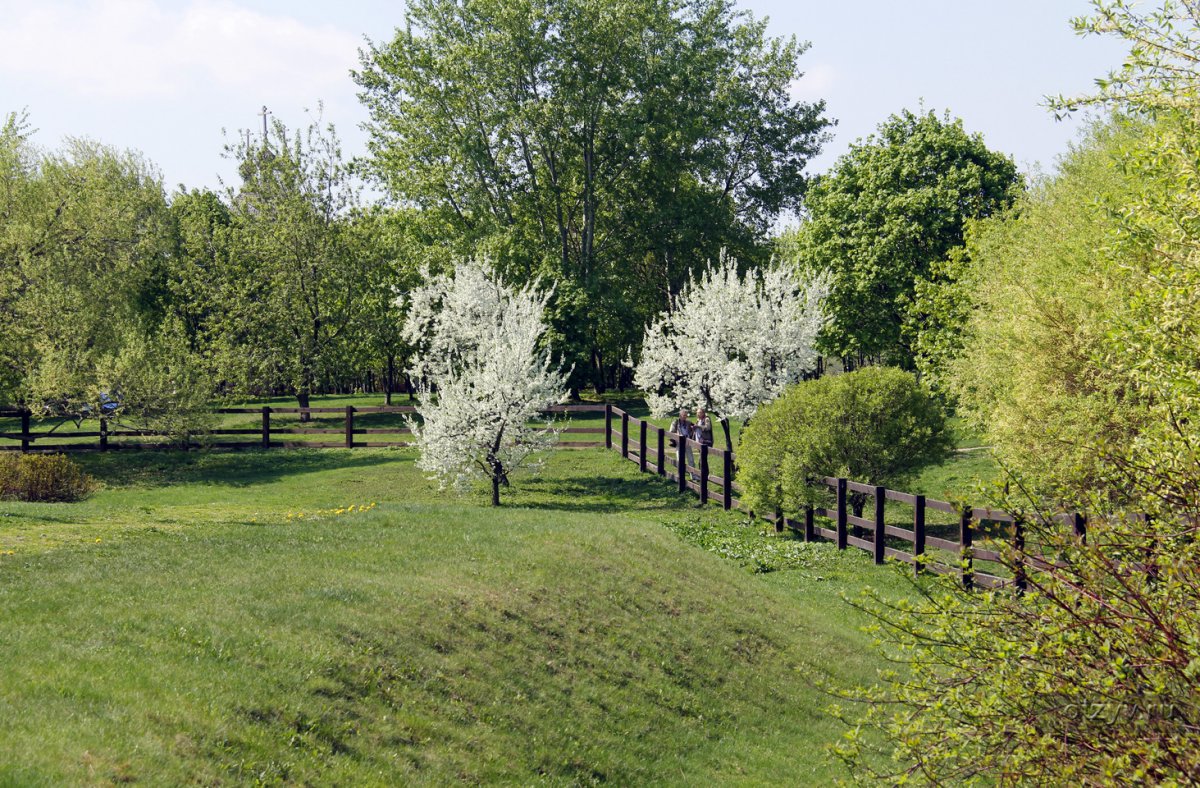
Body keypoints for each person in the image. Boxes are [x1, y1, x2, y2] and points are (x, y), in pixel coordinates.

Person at [668, 408, 697, 481]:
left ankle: (693, 475)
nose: (685, 417)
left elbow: (694, 430)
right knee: (680, 459)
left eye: (686, 415)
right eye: (684, 415)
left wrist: (693, 429)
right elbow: (671, 432)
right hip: (679, 443)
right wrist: (677, 435)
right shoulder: (675, 422)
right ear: (680, 415)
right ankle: (680, 475)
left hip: (687, 443)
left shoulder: (688, 422)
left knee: (691, 459)